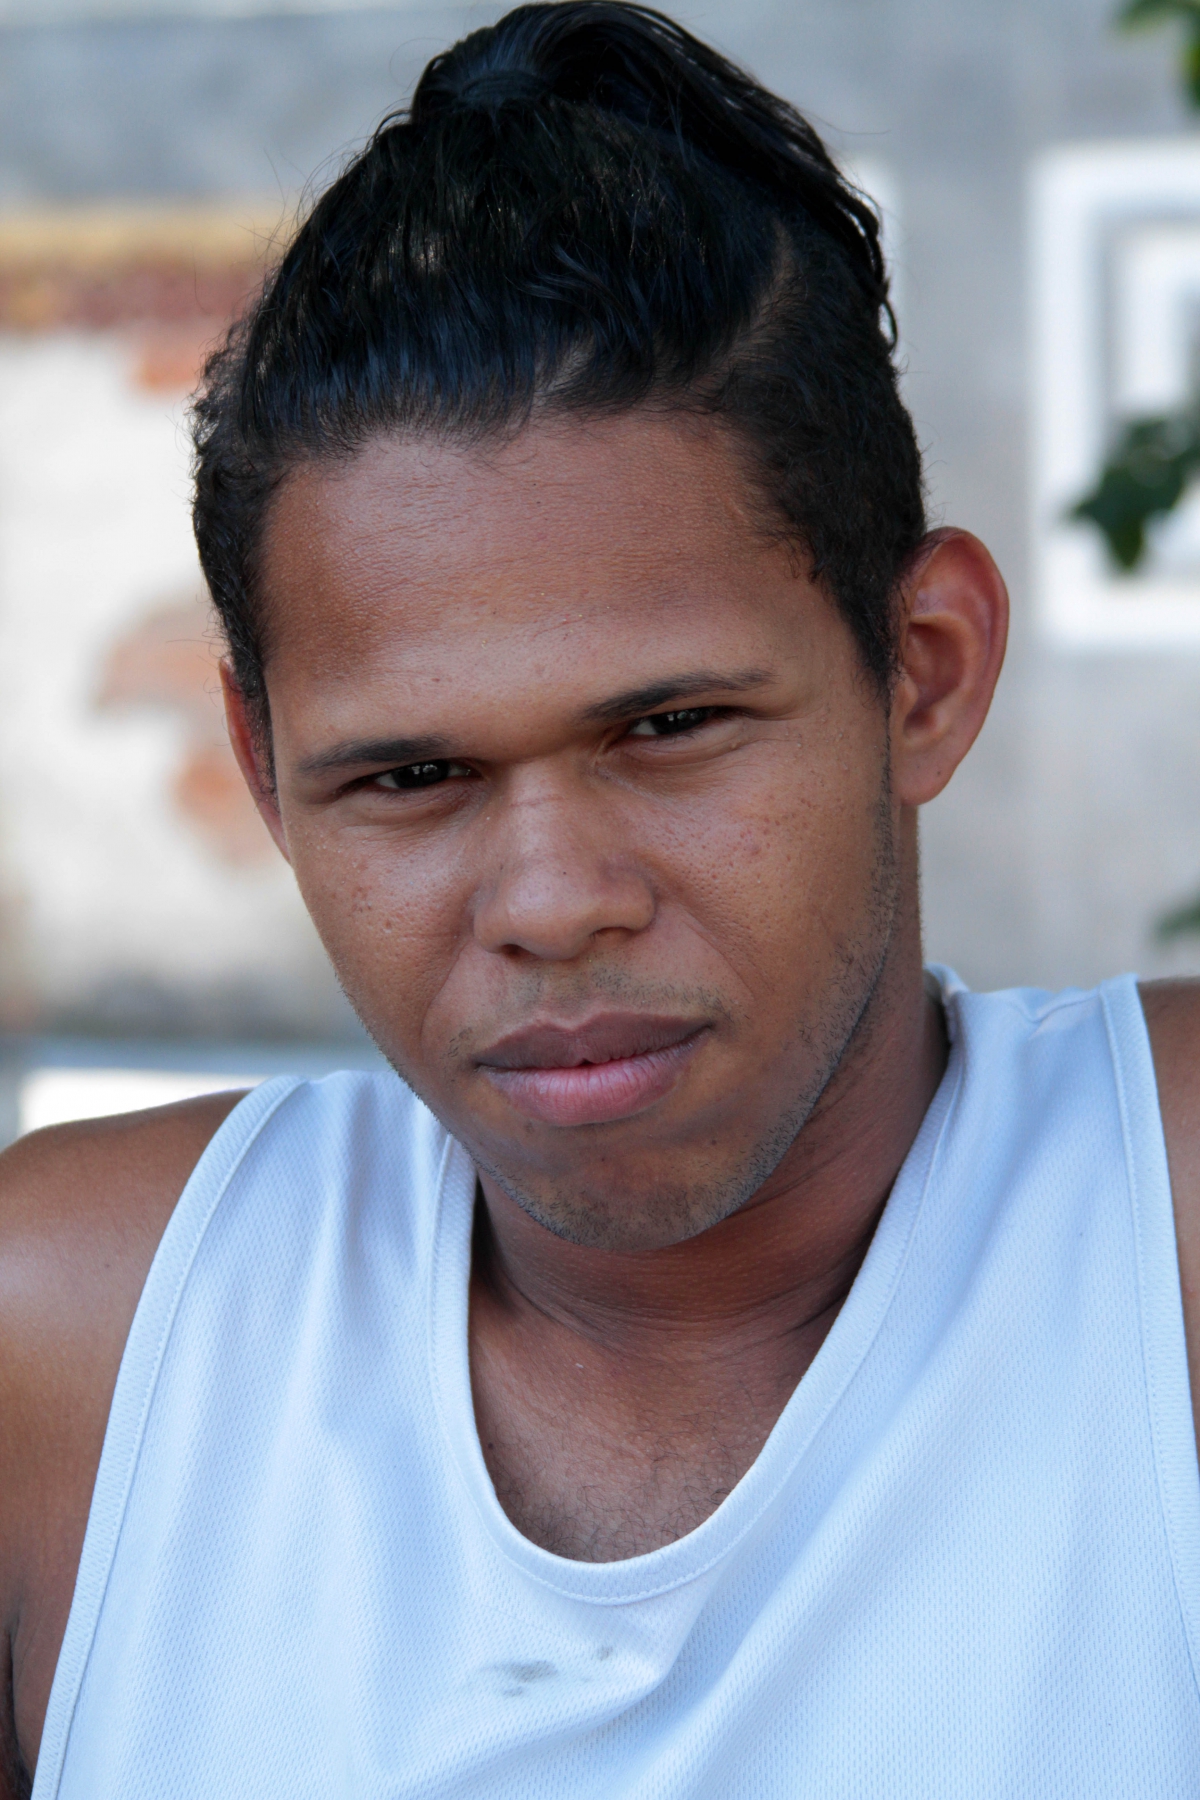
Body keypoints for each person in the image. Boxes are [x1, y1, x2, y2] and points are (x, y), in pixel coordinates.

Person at [3, 3, 1199, 1793]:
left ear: (925, 673)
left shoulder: (1160, 1235)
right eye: (411, 778)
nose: (554, 901)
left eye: (670, 727)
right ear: (265, 772)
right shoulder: (82, 1343)